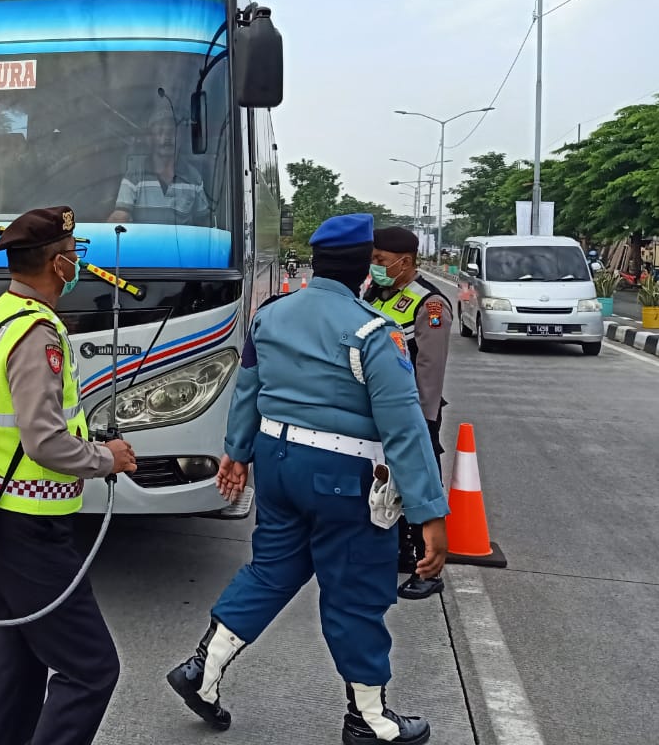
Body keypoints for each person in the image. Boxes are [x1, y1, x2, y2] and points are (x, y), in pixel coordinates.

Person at [165, 213, 449, 744]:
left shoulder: (270, 317)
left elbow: (248, 388)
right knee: (356, 592)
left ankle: (202, 670)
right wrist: (429, 513)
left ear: (315, 262)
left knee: (272, 570)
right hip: (344, 476)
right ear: (366, 266)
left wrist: (236, 453)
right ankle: (370, 718)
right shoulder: (373, 331)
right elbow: (405, 428)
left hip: (278, 464)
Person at [0, 205, 138, 745]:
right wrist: (104, 458)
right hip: (33, 527)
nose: (78, 264)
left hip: (5, 514)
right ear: (58, 263)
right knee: (92, 670)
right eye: (74, 254)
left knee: (15, 666)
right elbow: (43, 440)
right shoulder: (36, 333)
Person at [364, 226, 453, 600]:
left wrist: (422, 422)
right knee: (385, 482)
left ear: (406, 262)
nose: (375, 267)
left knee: (417, 484)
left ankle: (427, 567)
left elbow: (429, 370)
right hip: (377, 410)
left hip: (413, 413)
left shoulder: (430, 305)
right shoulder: (374, 292)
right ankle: (399, 554)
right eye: (373, 260)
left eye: (381, 261)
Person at [108, 101, 212, 226]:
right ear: (150, 138)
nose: (167, 137)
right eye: (160, 132)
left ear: (181, 138)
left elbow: (205, 225)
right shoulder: (135, 174)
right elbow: (120, 215)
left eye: (172, 132)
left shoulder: (193, 177)